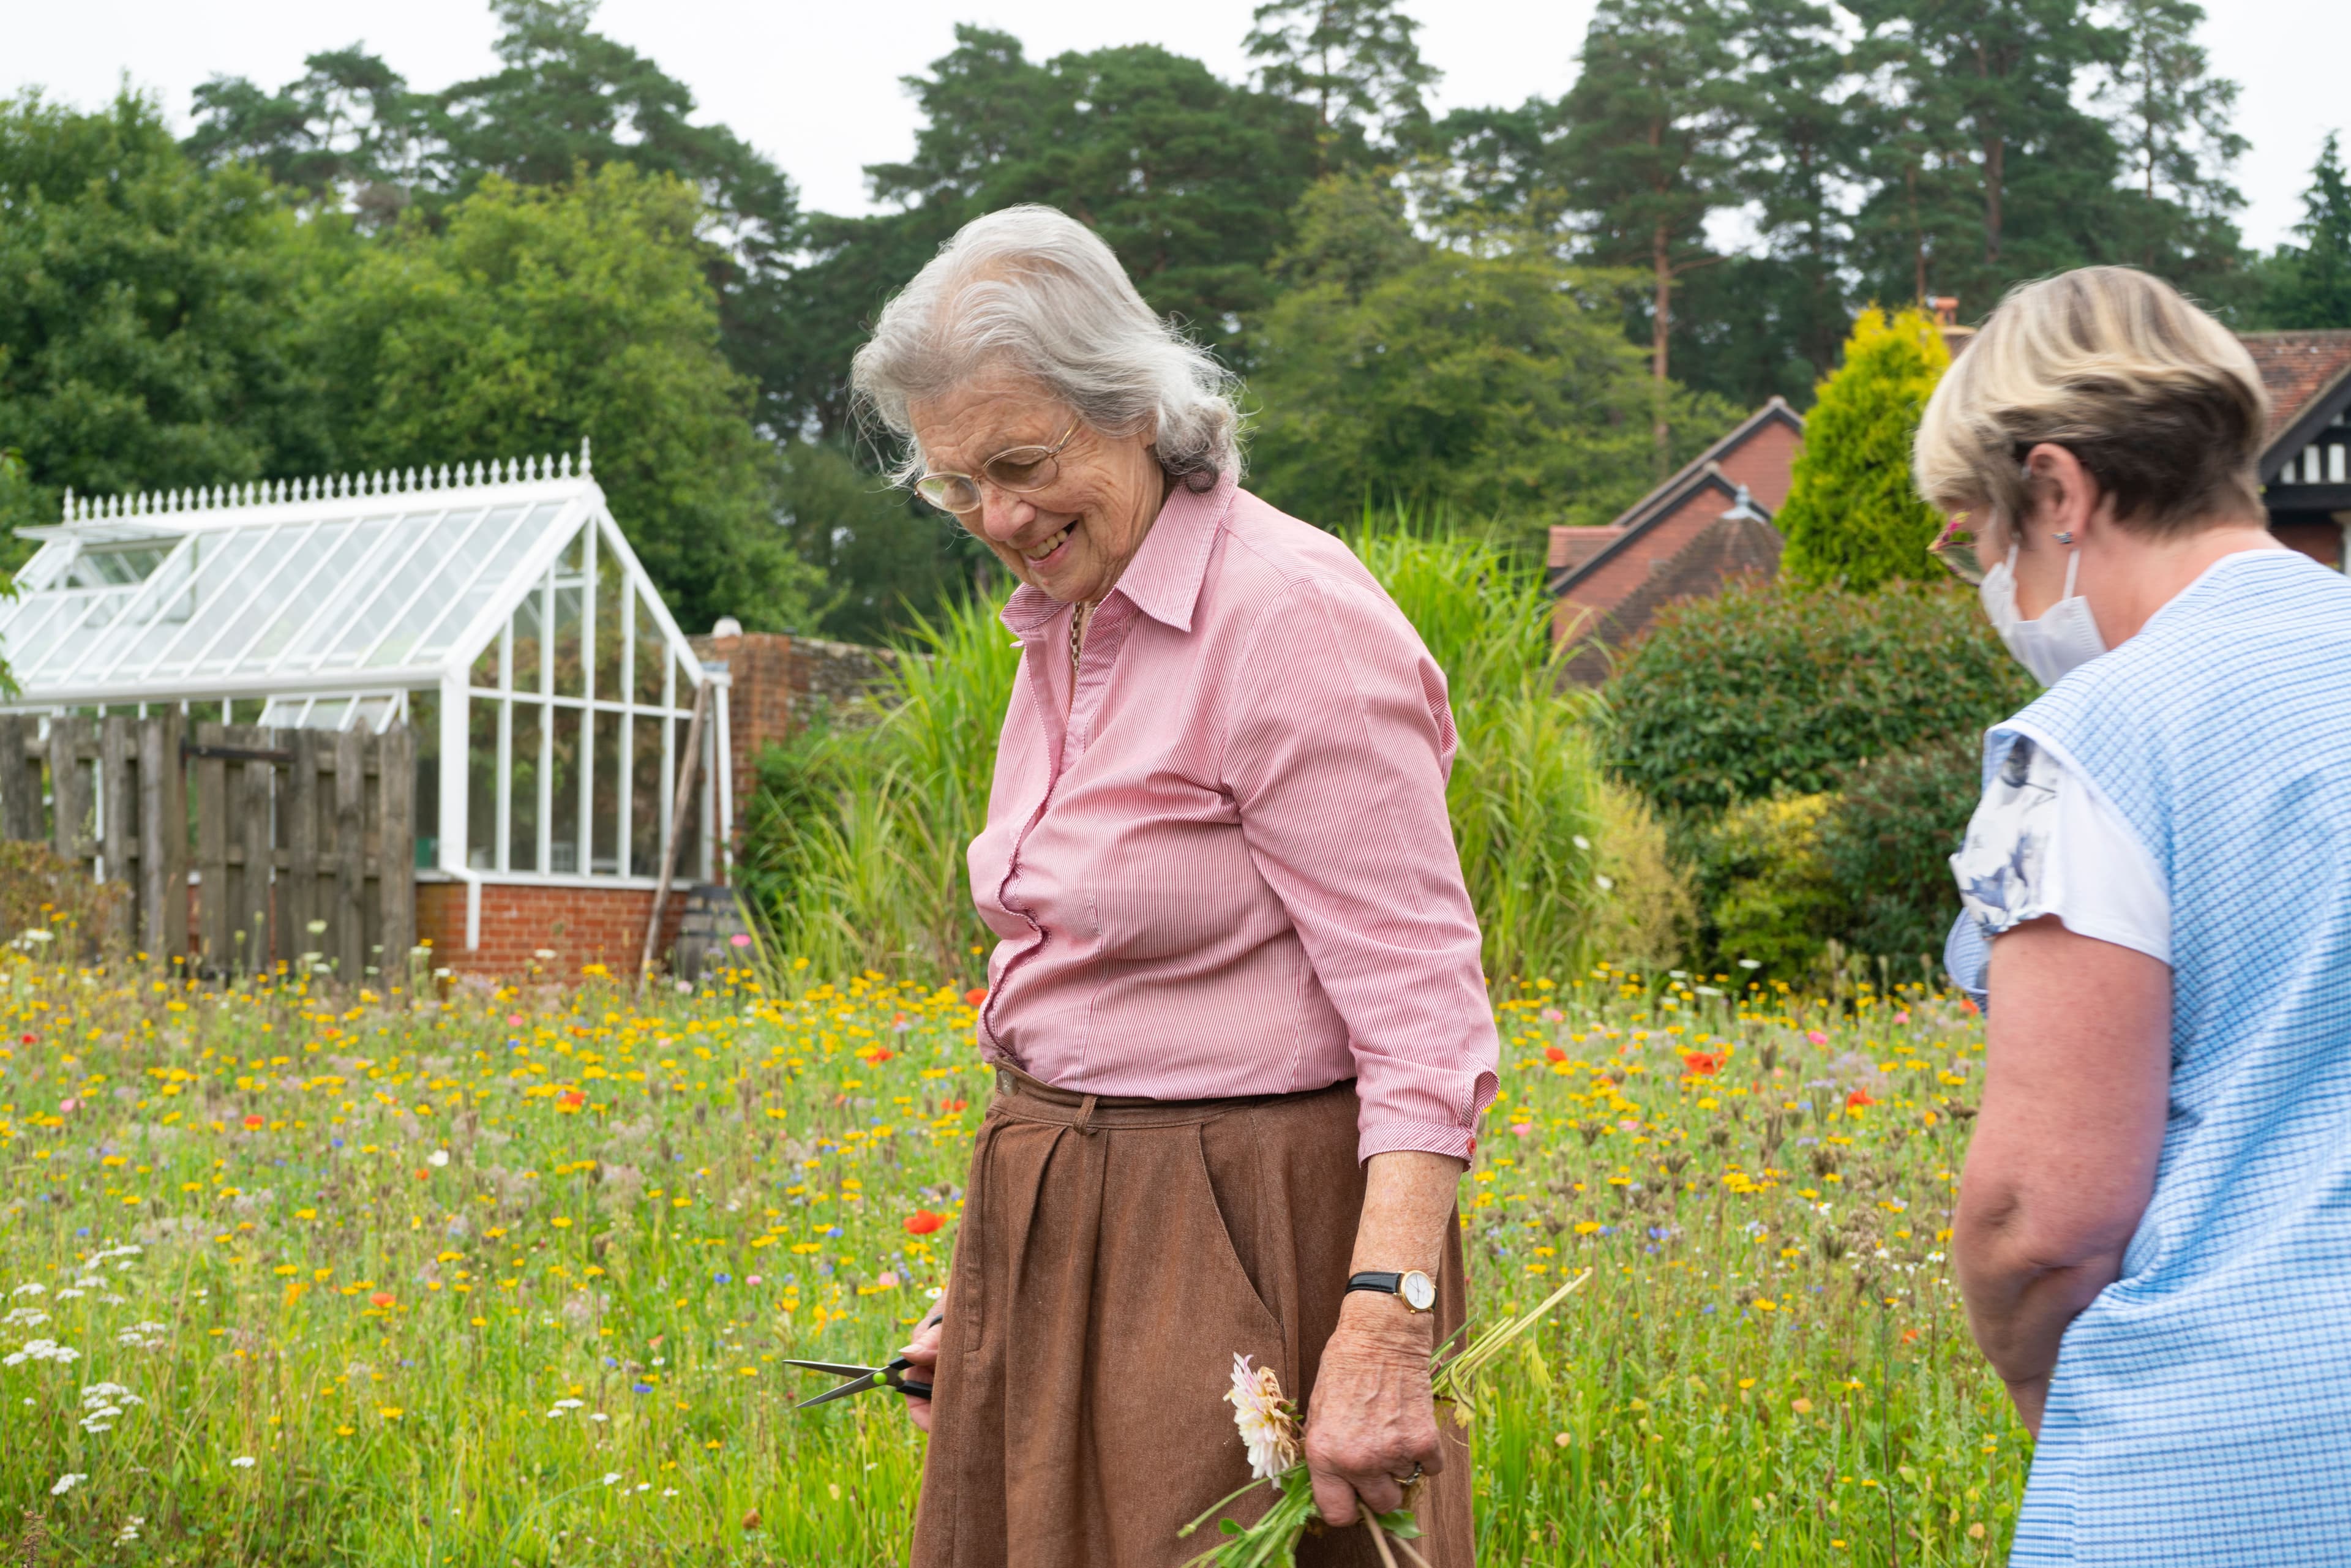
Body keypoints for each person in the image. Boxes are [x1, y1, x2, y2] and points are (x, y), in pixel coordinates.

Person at [847, 204, 1496, 1568]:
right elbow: (1091, 988)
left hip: (1252, 1222)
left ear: (1137, 410)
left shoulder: (1290, 616)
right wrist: (999, 1286)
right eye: (958, 485)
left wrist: (1384, 1317)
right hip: (1067, 1212)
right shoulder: (1068, 618)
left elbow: (1424, 1019)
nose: (1000, 517)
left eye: (1023, 464)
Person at [1922, 265, 2351, 1562]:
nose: (1988, 576)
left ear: (2056, 492)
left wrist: (2038, 1384)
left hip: (2234, 1457)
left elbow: (2041, 1221)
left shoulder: (2096, 746)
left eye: (1976, 536)